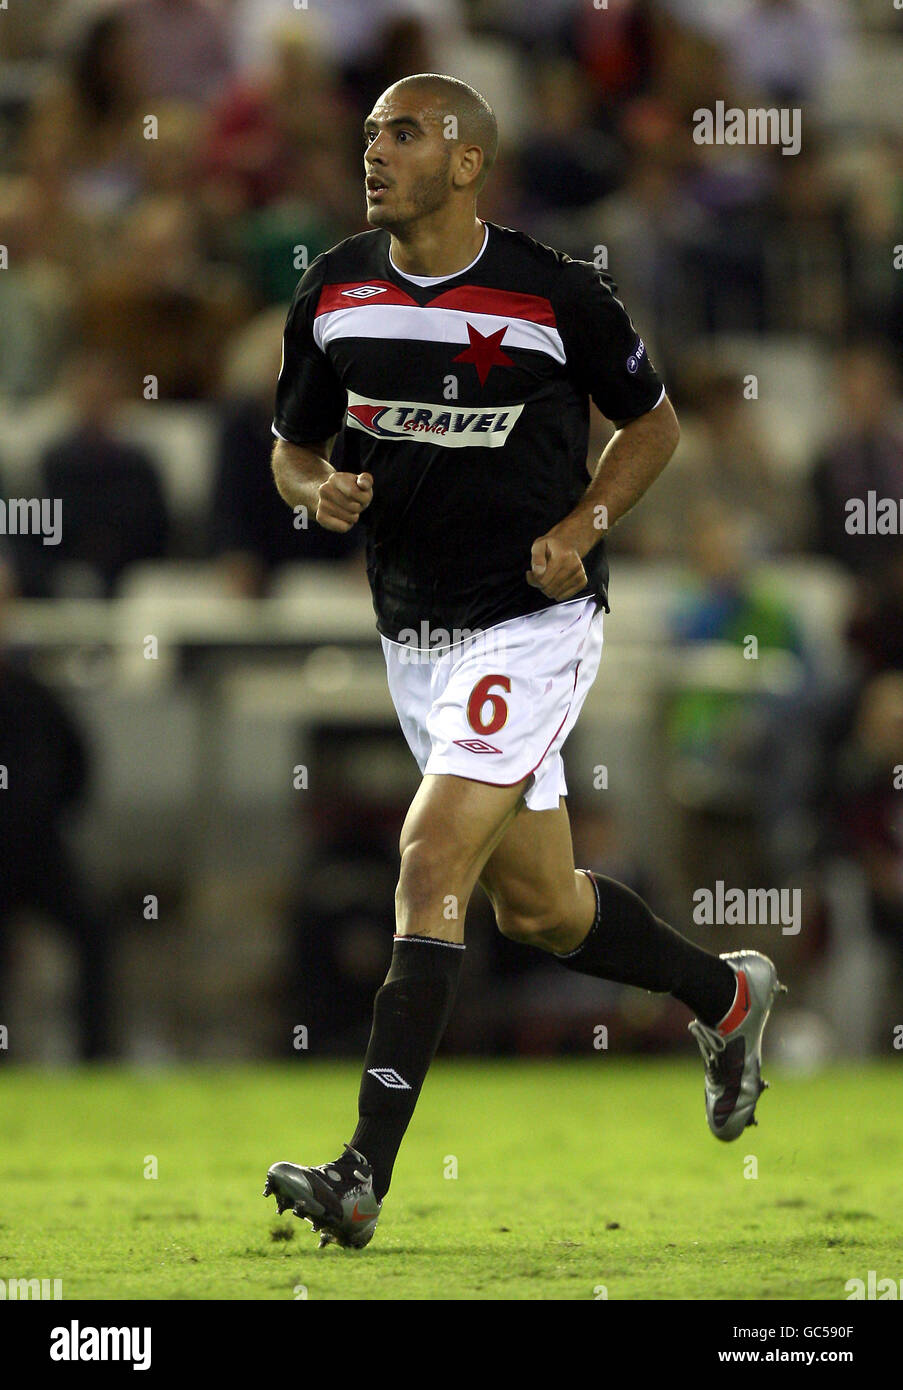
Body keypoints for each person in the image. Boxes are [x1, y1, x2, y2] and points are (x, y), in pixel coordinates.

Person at [263, 73, 785, 1249]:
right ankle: (730, 996)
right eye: (368, 135)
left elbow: (653, 424)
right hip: (414, 633)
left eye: (403, 132)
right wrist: (320, 490)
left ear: (466, 161)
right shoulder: (335, 288)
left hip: (531, 624)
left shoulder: (555, 293)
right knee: (544, 909)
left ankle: (360, 1176)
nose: (376, 151)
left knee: (430, 855)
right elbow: (290, 449)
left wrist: (583, 526)